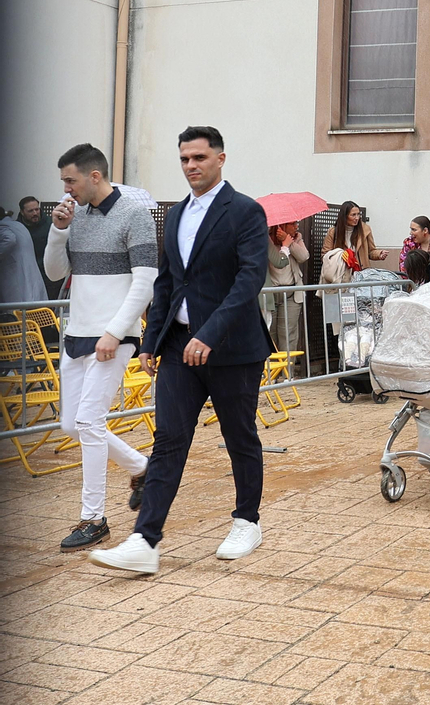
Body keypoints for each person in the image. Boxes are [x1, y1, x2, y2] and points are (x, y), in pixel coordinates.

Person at [88, 127, 272, 575]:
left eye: (199, 157)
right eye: (185, 159)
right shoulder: (174, 216)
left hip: (231, 348)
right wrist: (150, 341)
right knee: (168, 439)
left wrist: (209, 333)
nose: (191, 166)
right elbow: (167, 281)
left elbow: (249, 279)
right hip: (176, 348)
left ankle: (247, 521)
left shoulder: (245, 211)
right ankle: (145, 540)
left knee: (239, 436)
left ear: (220, 159)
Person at [38, 145, 155, 552]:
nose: (65, 189)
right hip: (78, 334)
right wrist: (58, 230)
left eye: (70, 180)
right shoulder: (76, 216)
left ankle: (94, 519)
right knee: (72, 425)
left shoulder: (134, 214)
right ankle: (142, 467)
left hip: (113, 337)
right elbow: (55, 272)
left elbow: (145, 281)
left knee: (88, 422)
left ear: (94, 176)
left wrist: (116, 332)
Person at [261, 222, 309, 359]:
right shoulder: (266, 239)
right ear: (281, 225)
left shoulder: (297, 237)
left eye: (297, 223)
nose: (296, 226)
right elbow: (278, 262)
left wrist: (289, 243)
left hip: (291, 294)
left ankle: (288, 371)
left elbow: (304, 256)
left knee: (288, 335)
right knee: (270, 335)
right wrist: (283, 246)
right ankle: (274, 370)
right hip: (270, 294)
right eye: (293, 224)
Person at [323, 201, 388, 269]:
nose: (357, 218)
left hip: (361, 272)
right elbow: (325, 255)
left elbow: (371, 251)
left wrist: (379, 254)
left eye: (358, 214)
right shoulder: (333, 232)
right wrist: (341, 256)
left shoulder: (365, 230)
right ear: (345, 216)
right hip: (341, 272)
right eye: (353, 215)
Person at [18, 196, 61, 299]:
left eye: (37, 209)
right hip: (29, 274)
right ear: (22, 212)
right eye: (30, 211)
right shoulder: (18, 228)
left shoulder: (51, 224)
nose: (35, 213)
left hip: (49, 274)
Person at [0, 212, 47, 305]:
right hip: (29, 272)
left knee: (16, 307)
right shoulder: (17, 225)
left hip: (16, 275)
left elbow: (10, 239)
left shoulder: (3, 226)